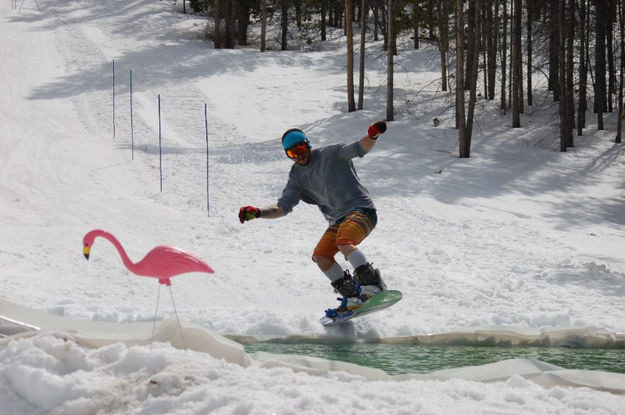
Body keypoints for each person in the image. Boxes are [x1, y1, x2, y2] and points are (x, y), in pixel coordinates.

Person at [238, 121, 388, 318]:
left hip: (361, 210)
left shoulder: (331, 154)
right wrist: (258, 212)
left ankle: (372, 284)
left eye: (300, 148)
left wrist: (373, 135)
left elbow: (361, 147)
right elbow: (282, 207)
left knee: (344, 242)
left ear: (307, 144)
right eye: (292, 153)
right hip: (338, 221)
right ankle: (352, 295)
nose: (299, 155)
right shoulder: (297, 176)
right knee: (321, 256)